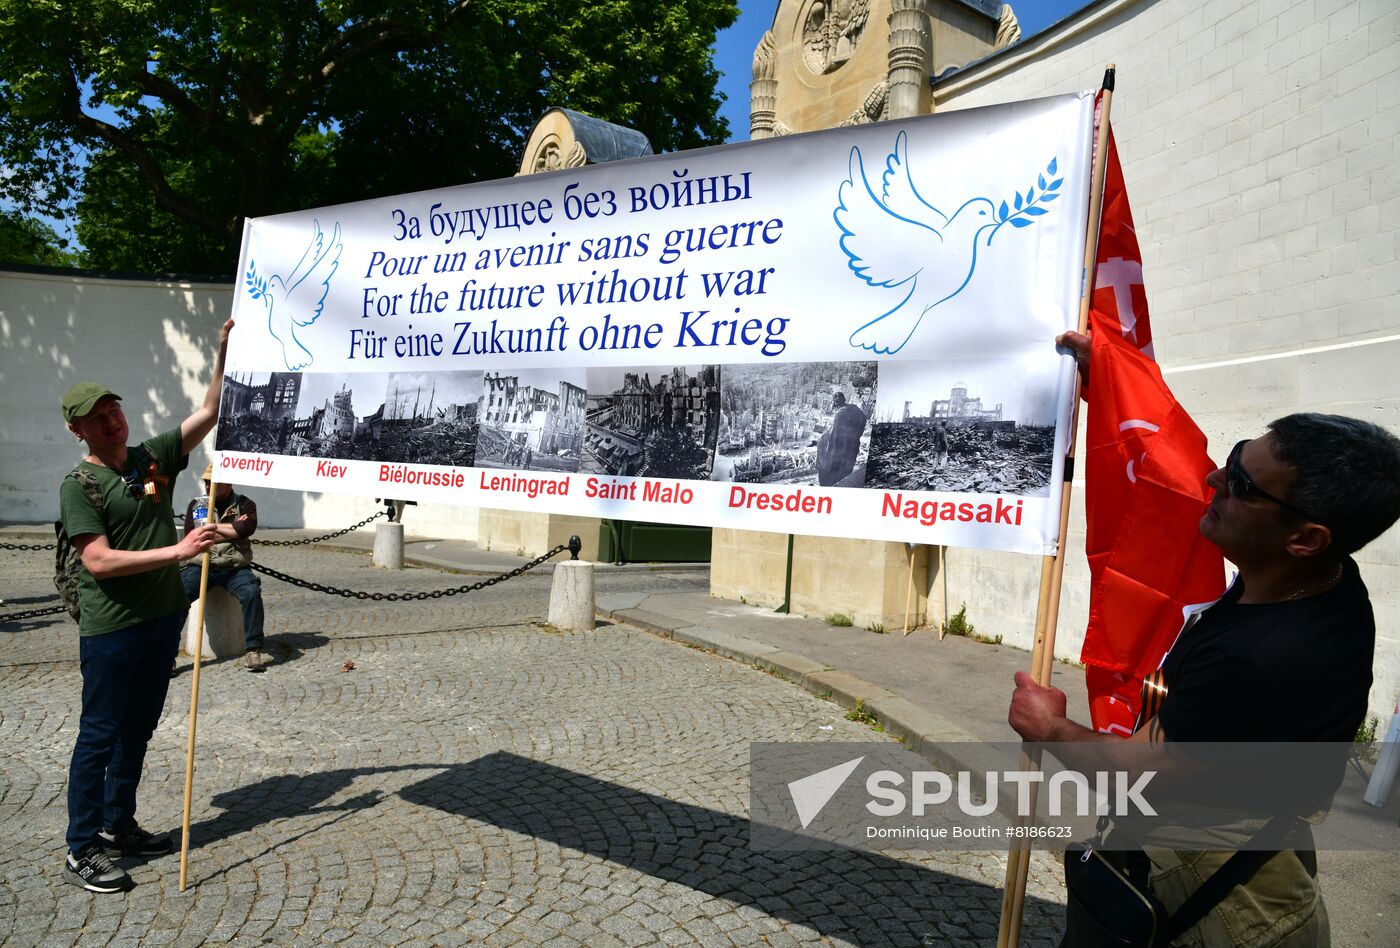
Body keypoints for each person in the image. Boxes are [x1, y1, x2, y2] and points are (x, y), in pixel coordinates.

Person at [1008, 330, 1400, 946]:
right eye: (1238, 455)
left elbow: (1137, 774)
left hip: (1215, 898)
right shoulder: (1317, 574)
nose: (1216, 478)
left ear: (1307, 538)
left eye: (1241, 486)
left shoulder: (1264, 658)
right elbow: (1170, 487)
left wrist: (1049, 727)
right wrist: (1109, 386)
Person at [57, 319, 232, 894]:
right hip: (113, 630)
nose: (112, 419)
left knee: (138, 729)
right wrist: (179, 550)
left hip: (160, 622)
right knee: (100, 733)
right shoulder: (79, 485)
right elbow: (99, 562)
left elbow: (207, 414)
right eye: (98, 416)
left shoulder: (148, 457)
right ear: (78, 428)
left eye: (114, 409)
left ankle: (118, 824)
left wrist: (226, 351)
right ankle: (81, 847)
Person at [181, 464, 266, 672]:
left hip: (234, 567)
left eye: (213, 482)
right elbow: (193, 536)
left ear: (228, 483)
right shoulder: (197, 504)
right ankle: (167, 654)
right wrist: (231, 529)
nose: (208, 486)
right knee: (177, 595)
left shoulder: (246, 505)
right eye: (206, 482)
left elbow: (246, 528)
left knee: (251, 593)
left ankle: (253, 649)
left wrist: (210, 530)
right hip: (202, 565)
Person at [816, 391, 868, 486]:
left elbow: (833, 436)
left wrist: (822, 442)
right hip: (852, 448)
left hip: (841, 451)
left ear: (836, 404)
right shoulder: (856, 409)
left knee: (831, 476)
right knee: (845, 476)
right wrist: (856, 436)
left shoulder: (840, 415)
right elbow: (863, 419)